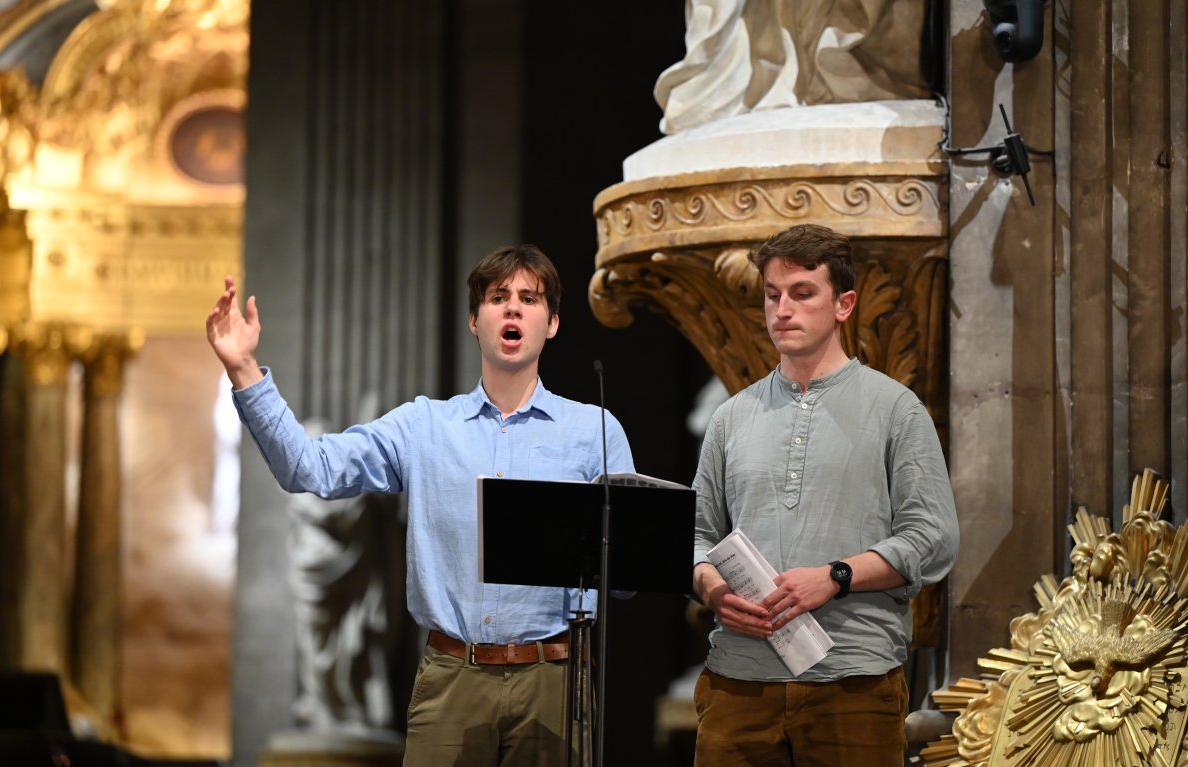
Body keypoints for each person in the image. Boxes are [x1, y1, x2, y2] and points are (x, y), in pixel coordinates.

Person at [206, 244, 635, 766]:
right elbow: (309, 468)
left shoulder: (594, 431)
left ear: (553, 323)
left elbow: (627, 575)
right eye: (498, 297)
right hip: (452, 677)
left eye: (530, 298)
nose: (514, 308)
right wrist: (245, 369)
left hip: (555, 680)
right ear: (475, 320)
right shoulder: (423, 426)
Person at [690, 224, 958, 766]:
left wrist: (835, 577)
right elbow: (693, 536)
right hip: (738, 682)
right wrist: (716, 591)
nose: (782, 309)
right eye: (772, 295)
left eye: (802, 293)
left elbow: (932, 536)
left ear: (844, 304)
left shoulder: (894, 408)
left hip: (853, 681)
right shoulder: (730, 417)